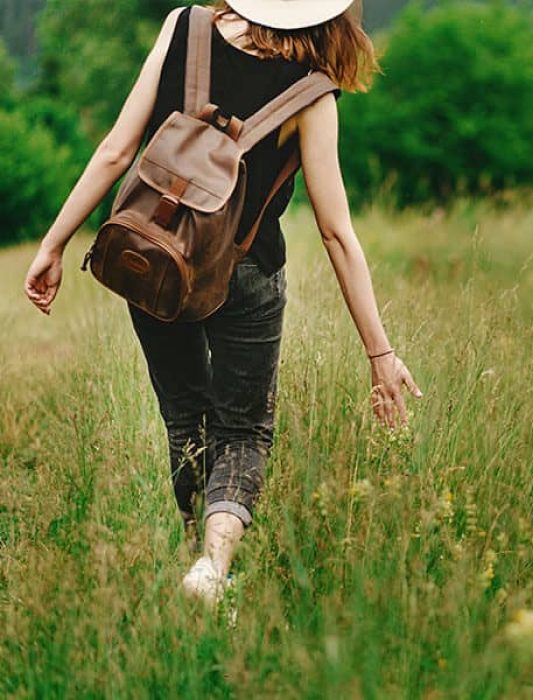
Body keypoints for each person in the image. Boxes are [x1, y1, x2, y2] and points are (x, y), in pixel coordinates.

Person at [22, 0, 422, 606]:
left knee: (186, 420)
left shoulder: (184, 25)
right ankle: (212, 569)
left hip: (155, 258)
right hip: (247, 273)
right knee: (242, 433)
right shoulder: (313, 89)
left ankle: (201, 567)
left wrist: (54, 244)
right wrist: (379, 354)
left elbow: (115, 151)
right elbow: (336, 231)